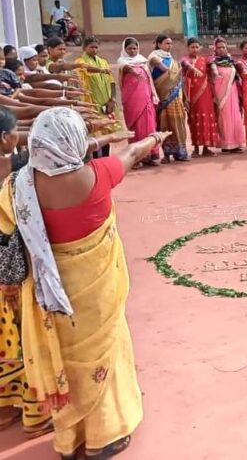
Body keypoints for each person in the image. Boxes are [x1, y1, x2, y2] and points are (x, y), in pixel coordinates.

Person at [0, 107, 169, 459]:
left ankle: (69, 439)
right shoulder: (97, 176)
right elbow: (132, 153)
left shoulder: (18, 187)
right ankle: (103, 437)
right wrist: (154, 138)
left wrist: (104, 138)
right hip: (96, 296)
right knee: (103, 355)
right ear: (74, 143)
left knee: (64, 360)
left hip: (47, 298)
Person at [0, 107, 53, 440]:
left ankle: (4, 408)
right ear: (7, 137)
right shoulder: (18, 169)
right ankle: (33, 413)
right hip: (13, 268)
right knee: (25, 336)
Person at [118, 37, 160, 167]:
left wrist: (154, 95)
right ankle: (136, 158)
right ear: (124, 49)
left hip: (146, 99)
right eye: (129, 48)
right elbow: (125, 68)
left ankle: (150, 155)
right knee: (135, 128)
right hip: (132, 101)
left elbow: (149, 81)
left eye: (134, 48)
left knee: (149, 126)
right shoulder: (122, 61)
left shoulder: (143, 61)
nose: (132, 51)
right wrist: (133, 71)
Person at [75, 36, 121, 155]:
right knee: (94, 133)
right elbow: (87, 69)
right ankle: (95, 159)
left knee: (107, 132)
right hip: (91, 103)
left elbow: (112, 82)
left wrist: (113, 99)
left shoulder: (103, 62)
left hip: (106, 102)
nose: (95, 49)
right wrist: (101, 71)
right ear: (84, 48)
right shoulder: (80, 62)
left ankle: (106, 157)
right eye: (91, 47)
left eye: (96, 47)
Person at [149, 34, 189, 162]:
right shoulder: (153, 57)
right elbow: (159, 66)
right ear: (159, 44)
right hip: (163, 98)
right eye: (166, 43)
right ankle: (166, 154)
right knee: (164, 124)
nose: (169, 46)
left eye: (171, 43)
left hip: (176, 97)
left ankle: (180, 153)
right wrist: (167, 69)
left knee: (178, 122)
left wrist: (185, 98)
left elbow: (179, 81)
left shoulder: (174, 61)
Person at [181, 38, 219, 158]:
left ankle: (206, 147)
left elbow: (212, 64)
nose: (195, 49)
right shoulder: (185, 59)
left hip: (206, 94)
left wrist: (214, 70)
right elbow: (185, 64)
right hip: (191, 94)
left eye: (197, 47)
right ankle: (196, 148)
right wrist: (193, 68)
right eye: (192, 47)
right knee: (194, 120)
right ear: (188, 48)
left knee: (206, 119)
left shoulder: (205, 60)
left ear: (200, 48)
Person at [209, 37, 246, 154]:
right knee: (224, 117)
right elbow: (213, 70)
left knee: (235, 115)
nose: (221, 49)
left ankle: (236, 143)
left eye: (223, 47)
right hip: (220, 92)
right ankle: (226, 144)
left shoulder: (230, 60)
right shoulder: (212, 60)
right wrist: (215, 73)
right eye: (219, 47)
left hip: (233, 91)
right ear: (215, 48)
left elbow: (237, 73)